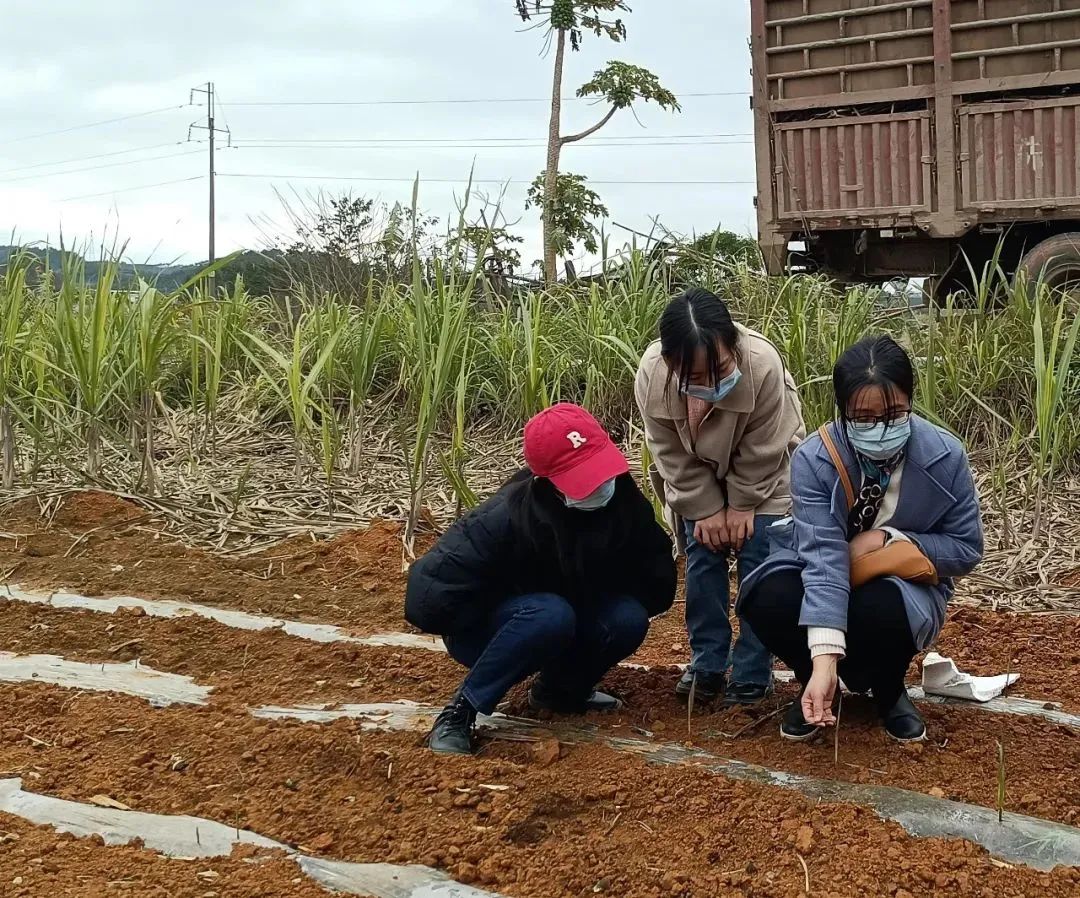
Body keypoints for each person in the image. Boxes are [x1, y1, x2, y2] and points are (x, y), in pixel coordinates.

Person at [739, 335, 983, 742]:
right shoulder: (815, 459)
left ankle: (889, 691)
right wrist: (823, 660)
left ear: (911, 402)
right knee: (768, 595)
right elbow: (821, 560)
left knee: (885, 600)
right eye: (864, 418)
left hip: (899, 588)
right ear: (842, 412)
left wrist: (888, 541)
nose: (881, 427)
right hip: (822, 576)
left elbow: (966, 547)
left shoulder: (946, 456)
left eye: (894, 413)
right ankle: (815, 685)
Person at [405, 402, 677, 755]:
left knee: (625, 618)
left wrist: (603, 586)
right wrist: (498, 609)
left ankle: (560, 691)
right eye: (583, 478)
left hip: (564, 618)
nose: (599, 485)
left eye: (600, 470)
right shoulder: (505, 517)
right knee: (549, 614)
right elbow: (427, 594)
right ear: (547, 481)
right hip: (495, 630)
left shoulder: (622, 500)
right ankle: (459, 712)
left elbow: (654, 572)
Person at [635, 287, 805, 706]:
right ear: (672, 364)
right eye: (694, 377)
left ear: (733, 345)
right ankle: (707, 662)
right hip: (698, 476)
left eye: (720, 368)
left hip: (763, 474)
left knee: (760, 551)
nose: (711, 383)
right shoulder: (653, 374)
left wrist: (743, 504)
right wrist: (708, 509)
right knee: (701, 548)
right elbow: (668, 450)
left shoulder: (762, 363)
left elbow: (766, 446)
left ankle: (751, 668)